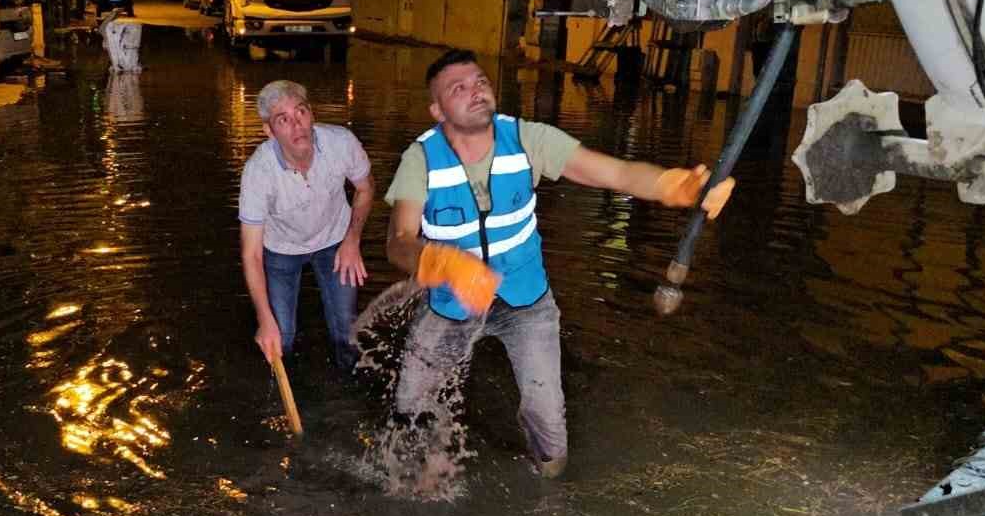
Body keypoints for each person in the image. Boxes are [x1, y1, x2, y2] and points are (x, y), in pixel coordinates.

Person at [384, 50, 735, 479]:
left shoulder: (528, 139)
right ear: (437, 110)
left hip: (524, 303)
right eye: (459, 89)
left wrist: (673, 186)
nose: (475, 92)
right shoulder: (420, 160)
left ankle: (546, 499)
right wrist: (439, 261)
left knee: (550, 434)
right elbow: (398, 243)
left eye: (480, 82)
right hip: (451, 305)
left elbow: (615, 175)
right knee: (409, 409)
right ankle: (408, 483)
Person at [240, 80, 374, 376]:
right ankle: (280, 394)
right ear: (269, 131)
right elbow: (251, 254)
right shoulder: (258, 172)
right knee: (280, 337)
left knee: (346, 329)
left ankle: (347, 394)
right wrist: (264, 319)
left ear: (312, 113)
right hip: (281, 252)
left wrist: (352, 241)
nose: (296, 125)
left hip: (337, 241)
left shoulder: (341, 143)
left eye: (300, 112)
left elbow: (365, 189)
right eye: (282, 119)